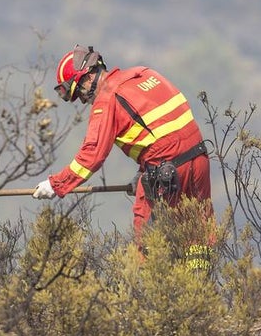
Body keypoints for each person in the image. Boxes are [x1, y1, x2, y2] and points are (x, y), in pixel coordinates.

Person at [33, 45, 212, 261]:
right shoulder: (145, 74)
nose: (81, 100)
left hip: (166, 175)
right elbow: (165, 129)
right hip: (199, 160)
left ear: (89, 77)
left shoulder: (107, 99)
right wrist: (144, 169)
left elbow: (92, 156)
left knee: (148, 248)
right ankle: (200, 286)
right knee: (197, 237)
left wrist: (56, 184)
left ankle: (157, 292)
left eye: (78, 91)